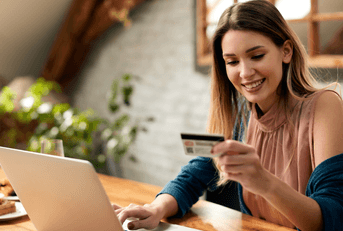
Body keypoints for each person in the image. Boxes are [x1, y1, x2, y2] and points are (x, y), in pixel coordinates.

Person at [113, 1, 343, 230]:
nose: (245, 72)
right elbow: (195, 175)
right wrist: (156, 208)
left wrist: (264, 182)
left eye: (257, 56)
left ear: (286, 51)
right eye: (232, 61)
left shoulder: (324, 107)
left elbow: (333, 218)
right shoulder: (243, 114)